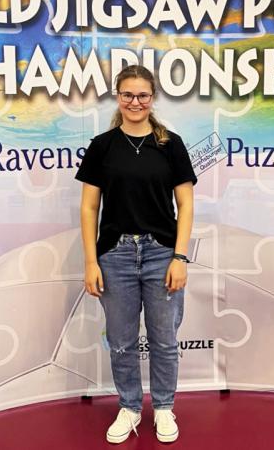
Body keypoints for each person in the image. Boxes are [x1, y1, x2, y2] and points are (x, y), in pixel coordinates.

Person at [75, 64, 197, 443]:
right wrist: (91, 262)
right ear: (118, 96)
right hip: (114, 256)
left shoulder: (171, 145)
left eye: (142, 95)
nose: (135, 102)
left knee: (164, 340)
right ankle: (129, 407)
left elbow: (186, 205)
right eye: (128, 94)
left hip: (162, 254)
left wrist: (180, 257)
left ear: (152, 98)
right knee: (122, 341)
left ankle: (163, 408)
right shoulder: (102, 146)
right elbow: (88, 208)